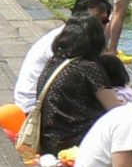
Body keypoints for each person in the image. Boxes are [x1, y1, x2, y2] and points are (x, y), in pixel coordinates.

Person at [37, 15, 122, 156]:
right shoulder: (88, 67)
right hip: (74, 142)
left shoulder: (54, 61)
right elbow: (115, 110)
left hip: (48, 140)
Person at [14, 0, 112, 113]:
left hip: (44, 100)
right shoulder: (68, 43)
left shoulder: (69, 37)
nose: (101, 25)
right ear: (79, 18)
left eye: (105, 21)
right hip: (33, 106)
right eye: (95, 19)